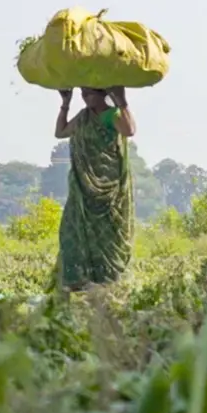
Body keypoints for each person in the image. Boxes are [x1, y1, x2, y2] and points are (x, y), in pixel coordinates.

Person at [53, 86, 136, 289]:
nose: (86, 98)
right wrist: (65, 103)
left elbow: (129, 130)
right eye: (83, 94)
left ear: (102, 94)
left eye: (90, 93)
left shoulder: (111, 115)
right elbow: (61, 132)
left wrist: (122, 101)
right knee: (70, 229)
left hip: (108, 187)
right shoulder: (83, 117)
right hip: (82, 188)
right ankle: (77, 280)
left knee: (108, 232)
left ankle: (107, 280)